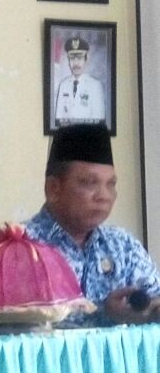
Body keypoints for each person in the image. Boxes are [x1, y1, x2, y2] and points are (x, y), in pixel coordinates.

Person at [24, 123, 160, 327]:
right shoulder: (22, 246)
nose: (104, 196)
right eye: (90, 183)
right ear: (53, 189)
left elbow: (155, 299)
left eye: (111, 184)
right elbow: (10, 327)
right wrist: (106, 313)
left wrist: (149, 312)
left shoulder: (122, 245)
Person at [54, 36, 105, 124]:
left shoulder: (95, 86)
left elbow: (99, 121)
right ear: (68, 61)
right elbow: (58, 119)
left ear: (86, 60)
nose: (76, 63)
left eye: (79, 58)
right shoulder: (63, 85)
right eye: (72, 58)